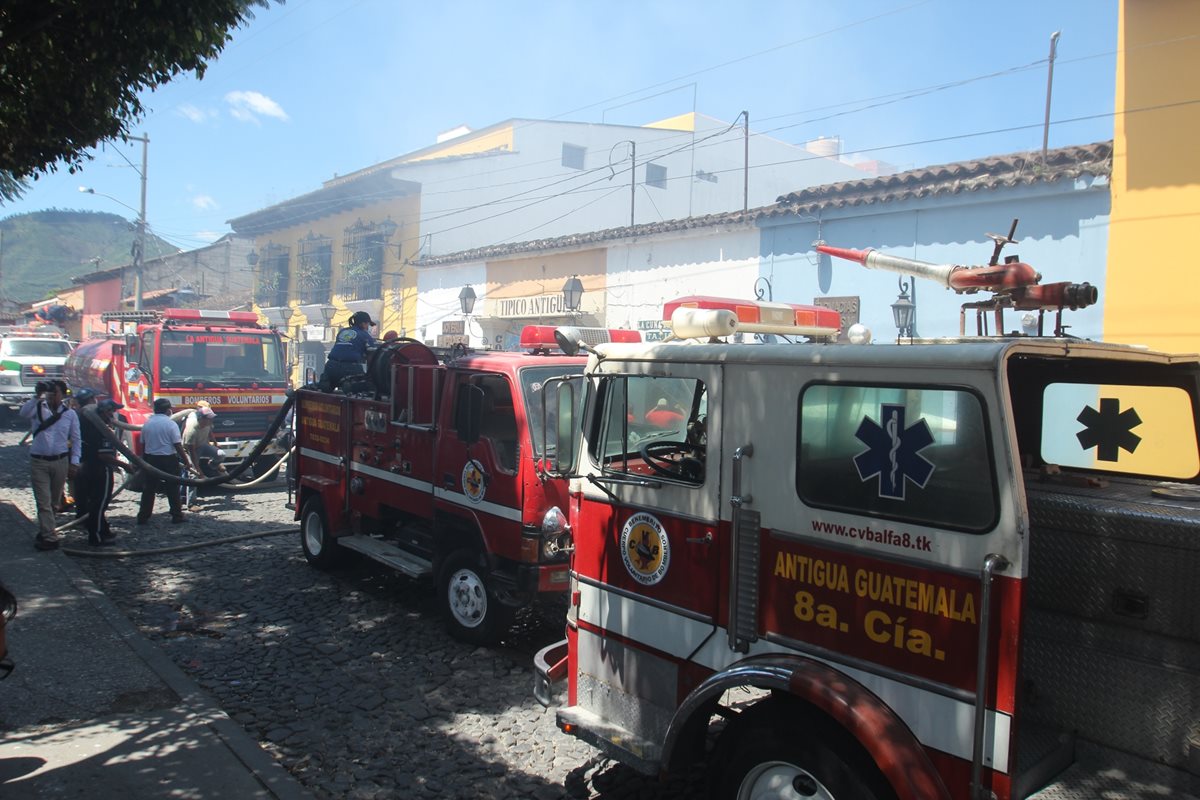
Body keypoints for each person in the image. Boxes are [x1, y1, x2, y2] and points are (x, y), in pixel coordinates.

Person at [19, 380, 80, 551]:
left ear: (62, 394)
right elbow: (23, 413)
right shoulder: (37, 408)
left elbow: (76, 439)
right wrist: (37, 396)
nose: (52, 396)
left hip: (60, 460)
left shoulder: (70, 414)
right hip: (39, 460)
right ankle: (50, 538)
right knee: (43, 501)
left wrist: (74, 462)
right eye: (50, 392)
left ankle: (46, 530)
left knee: (54, 502)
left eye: (55, 392)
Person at [77, 399, 128, 546]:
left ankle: (103, 530)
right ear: (106, 412)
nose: (114, 415)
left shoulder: (88, 427)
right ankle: (97, 536)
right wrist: (125, 466)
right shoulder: (102, 431)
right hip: (100, 469)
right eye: (113, 411)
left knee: (94, 502)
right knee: (99, 504)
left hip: (85, 466)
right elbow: (104, 455)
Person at [137, 397, 193, 524]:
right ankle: (177, 515)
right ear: (168, 410)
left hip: (151, 459)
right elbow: (177, 445)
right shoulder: (171, 424)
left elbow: (143, 444)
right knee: (172, 488)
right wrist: (187, 461)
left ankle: (143, 517)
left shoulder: (147, 424)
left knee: (149, 489)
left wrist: (143, 461)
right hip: (168, 460)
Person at [319, 311, 375, 392]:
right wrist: (370, 375)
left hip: (331, 366)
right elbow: (371, 358)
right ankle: (350, 386)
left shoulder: (342, 332)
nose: (368, 327)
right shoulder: (365, 335)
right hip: (350, 368)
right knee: (368, 386)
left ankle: (327, 382)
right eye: (368, 324)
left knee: (329, 381)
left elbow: (342, 348)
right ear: (363, 324)